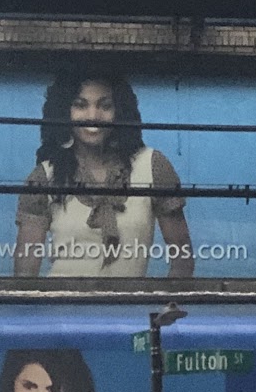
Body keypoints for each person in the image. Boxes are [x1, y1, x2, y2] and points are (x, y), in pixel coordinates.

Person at [12, 69, 194, 280]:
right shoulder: (44, 176)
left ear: (120, 111)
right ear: (63, 111)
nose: (93, 116)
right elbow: (24, 275)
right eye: (80, 105)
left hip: (132, 302)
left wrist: (159, 300)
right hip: (61, 301)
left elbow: (183, 261)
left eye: (105, 106)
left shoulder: (152, 166)